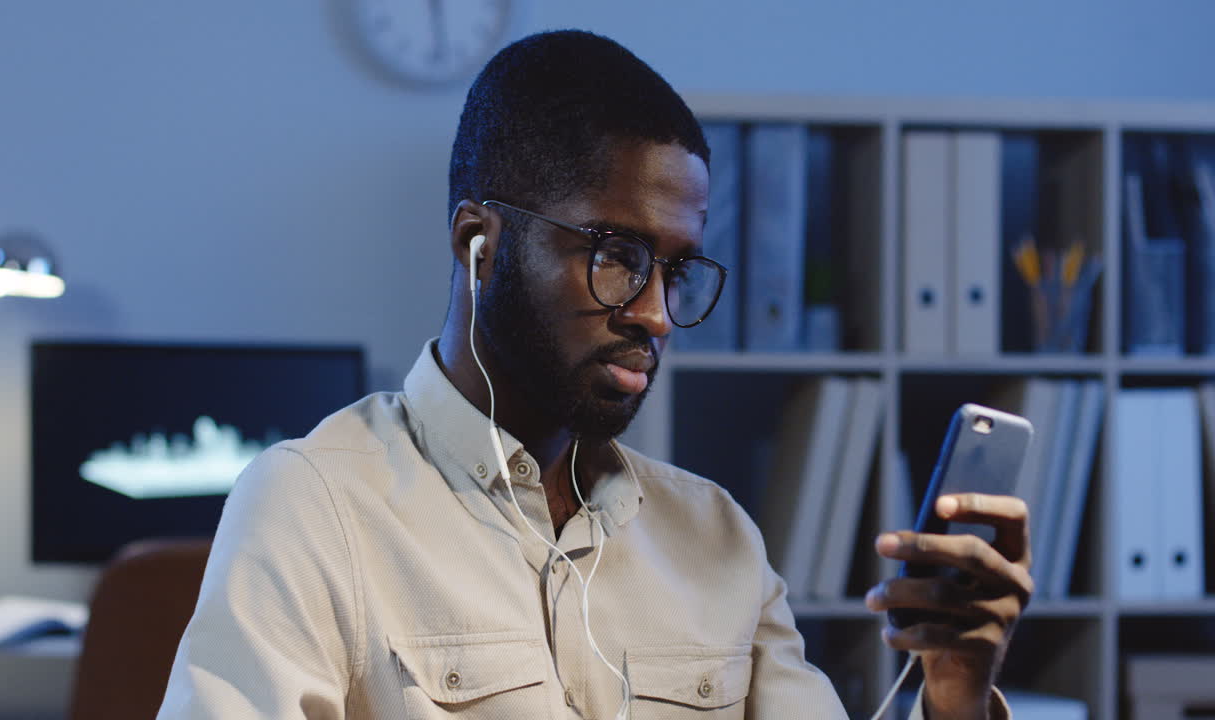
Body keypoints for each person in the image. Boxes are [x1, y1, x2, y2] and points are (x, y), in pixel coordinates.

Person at [158, 30, 1032, 720]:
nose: (656, 314)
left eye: (676, 270)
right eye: (617, 256)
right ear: (479, 245)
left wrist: (954, 697)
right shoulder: (316, 505)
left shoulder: (717, 537)